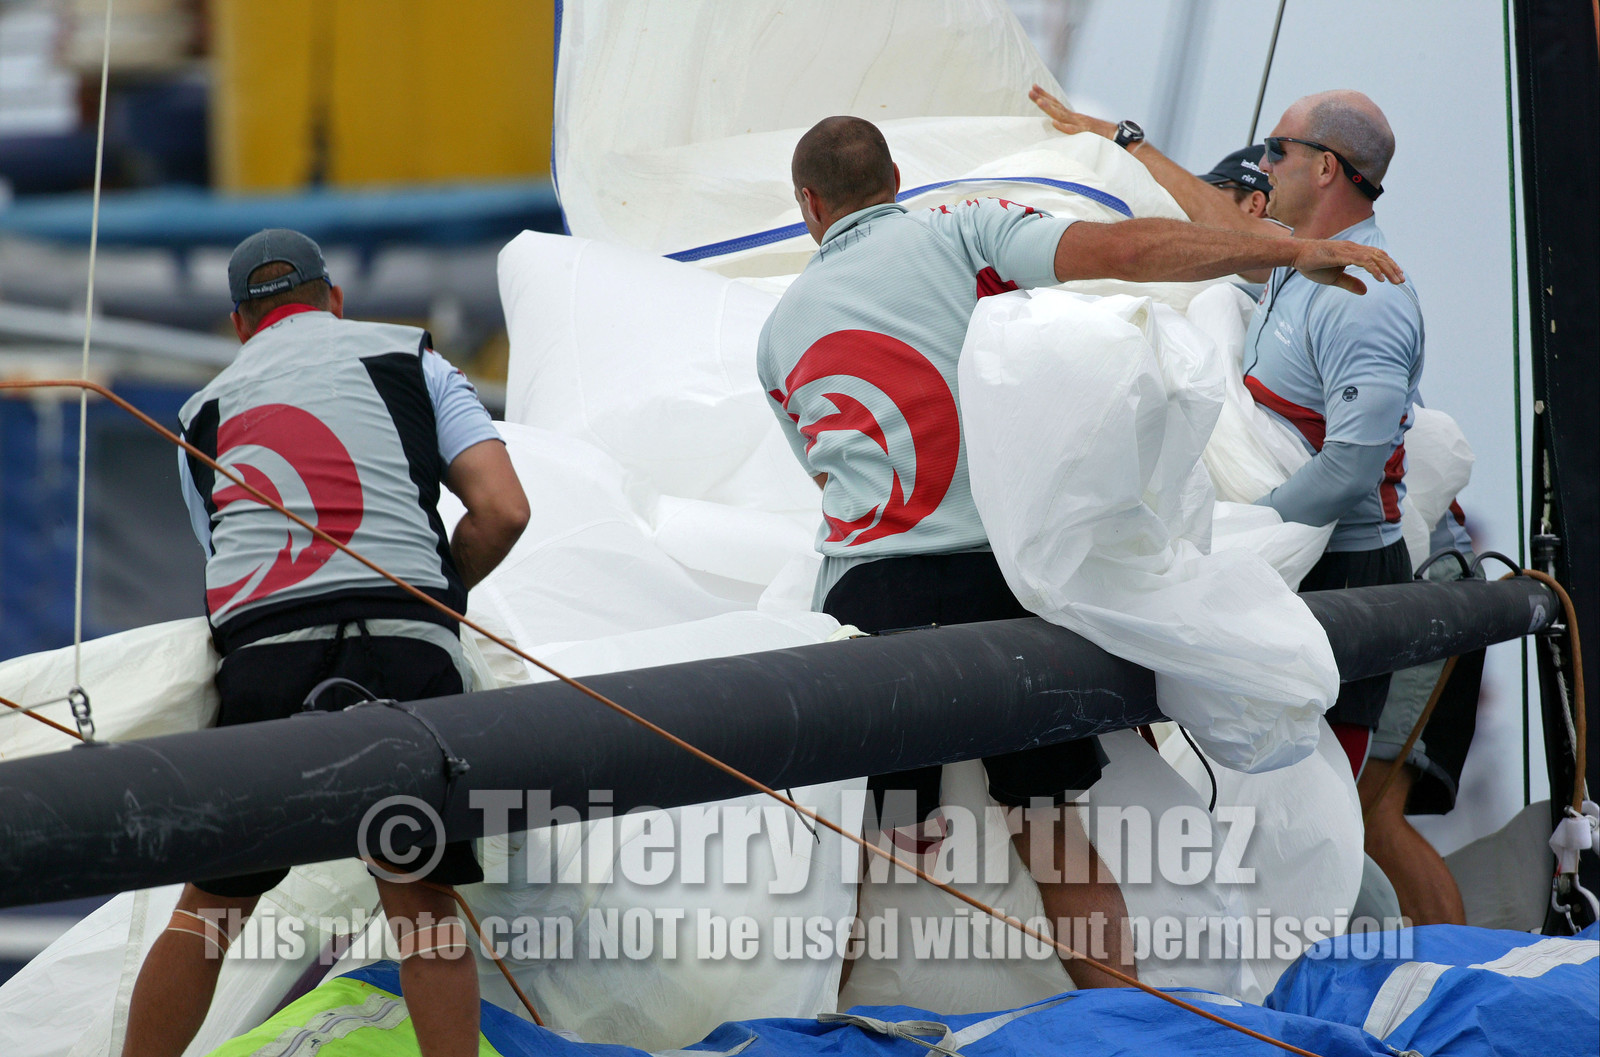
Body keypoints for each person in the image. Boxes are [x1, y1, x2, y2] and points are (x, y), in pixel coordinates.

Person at [757, 116, 1403, 987]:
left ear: (809, 206)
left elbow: (826, 476)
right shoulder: (960, 229)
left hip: (871, 599)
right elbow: (1125, 251)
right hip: (993, 584)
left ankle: (844, 1022)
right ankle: (1118, 1022)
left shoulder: (778, 335)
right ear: (898, 177)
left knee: (884, 843)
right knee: (1051, 833)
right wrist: (1284, 252)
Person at [1030, 87, 1473, 926]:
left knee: (1319, 810)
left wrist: (1245, 529)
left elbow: (1352, 463)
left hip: (1347, 581)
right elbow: (1216, 224)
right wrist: (1128, 142)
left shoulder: (1366, 298)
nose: (1261, 164)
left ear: (1326, 168)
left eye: (1275, 149)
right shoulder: (1300, 257)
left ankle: (1371, 979)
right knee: (1269, 808)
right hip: (1301, 565)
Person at [122, 229, 530, 1057]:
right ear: (335, 299)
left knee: (208, 913)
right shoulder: (410, 357)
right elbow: (504, 510)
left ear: (242, 325)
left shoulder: (201, 413)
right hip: (403, 641)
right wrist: (432, 604)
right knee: (421, 905)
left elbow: (236, 575)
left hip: (268, 656)